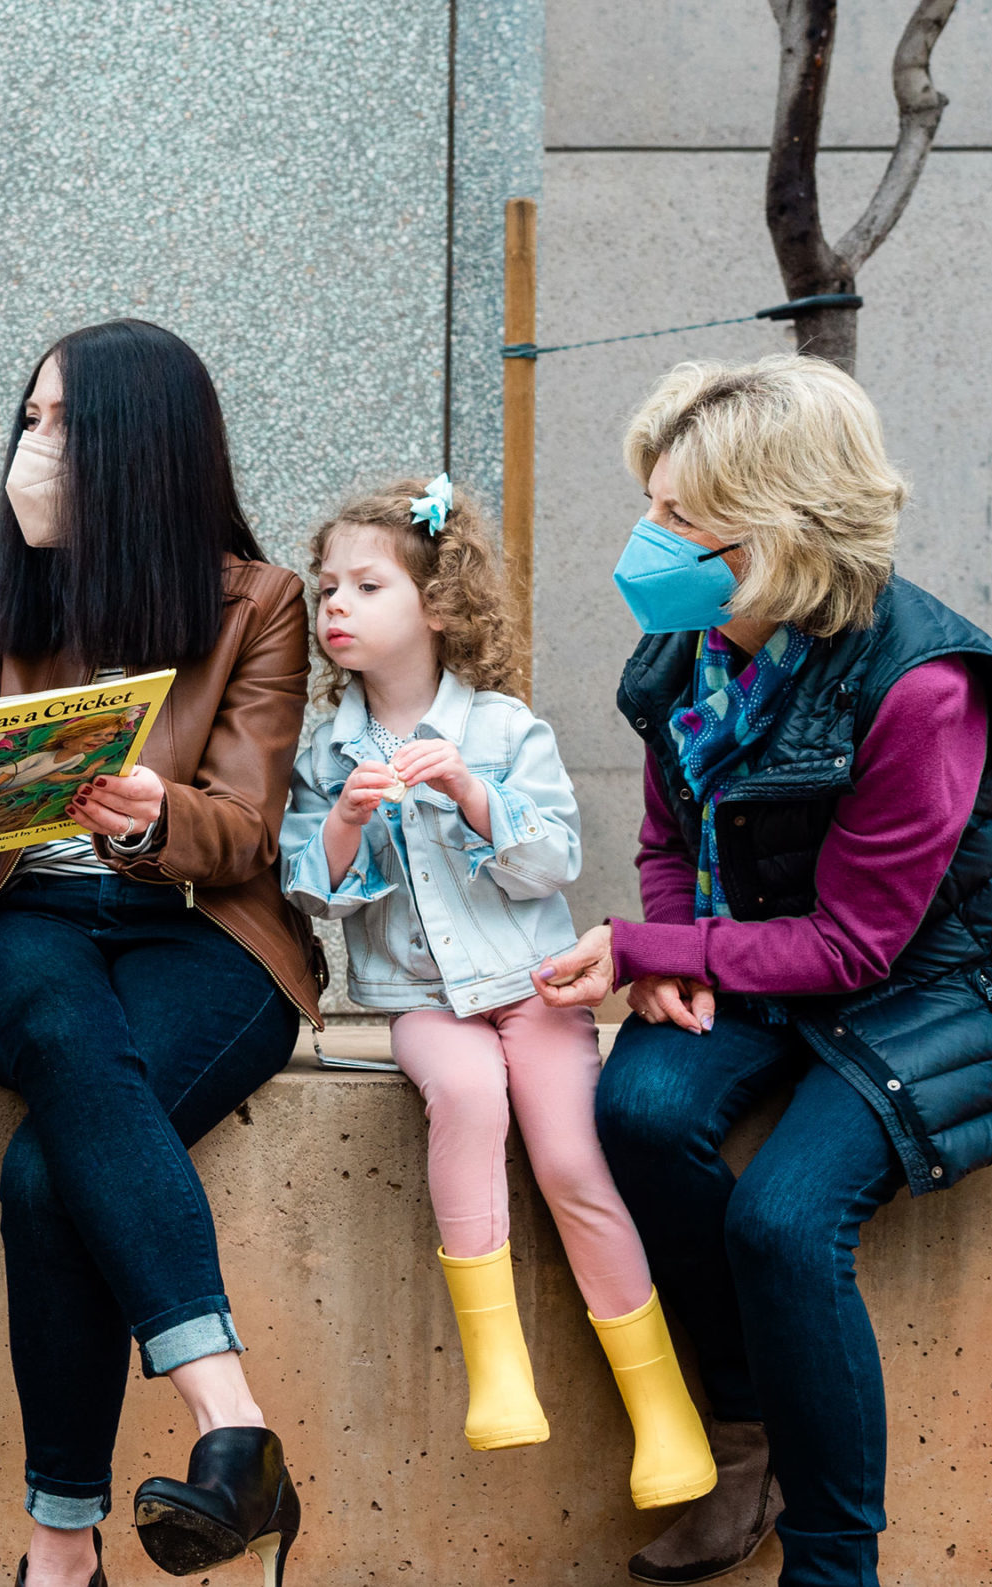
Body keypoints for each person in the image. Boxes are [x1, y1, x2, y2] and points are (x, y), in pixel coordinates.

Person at [536, 356, 992, 1587]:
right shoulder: (690, 642)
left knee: (785, 1223)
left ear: (781, 528)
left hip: (946, 992)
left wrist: (646, 949)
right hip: (764, 957)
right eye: (652, 500)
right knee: (633, 1109)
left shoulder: (925, 688)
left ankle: (833, 1563)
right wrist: (674, 950)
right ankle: (744, 1451)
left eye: (681, 516)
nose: (648, 535)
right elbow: (668, 831)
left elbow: (858, 945)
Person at [0, 319, 320, 1587]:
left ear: (134, 452)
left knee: (47, 1177)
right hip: (18, 931)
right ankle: (234, 1428)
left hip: (203, 934)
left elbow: (248, 834)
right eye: (24, 422)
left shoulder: (258, 603)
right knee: (63, 1028)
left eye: (56, 427)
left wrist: (156, 816)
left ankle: (57, 1550)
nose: (27, 450)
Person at [276, 474, 714, 1508]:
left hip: (537, 987)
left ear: (434, 604)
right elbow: (313, 891)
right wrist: (344, 819)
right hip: (425, 1002)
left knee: (570, 1158)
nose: (335, 604)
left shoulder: (507, 728)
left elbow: (552, 863)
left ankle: (662, 1416)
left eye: (366, 585)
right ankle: (499, 1368)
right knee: (467, 1097)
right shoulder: (324, 749)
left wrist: (474, 794)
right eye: (326, 585)